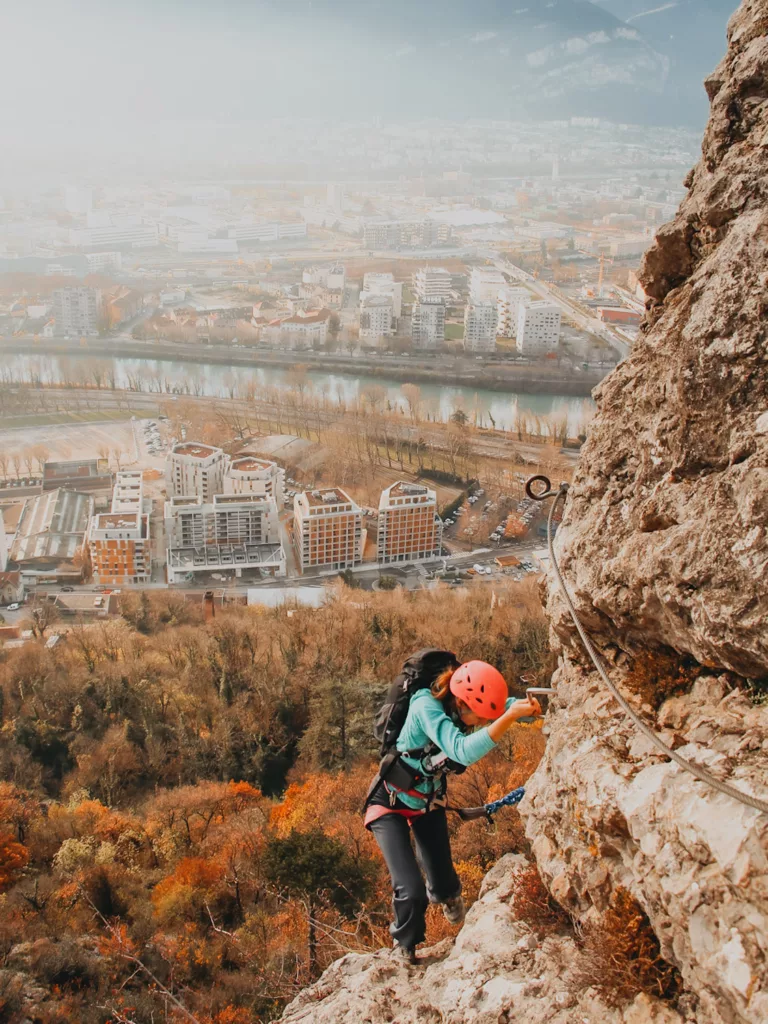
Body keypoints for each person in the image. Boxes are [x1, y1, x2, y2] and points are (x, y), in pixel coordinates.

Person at [364, 659, 541, 964]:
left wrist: (526, 708)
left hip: (427, 801)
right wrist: (511, 716)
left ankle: (447, 895)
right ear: (461, 702)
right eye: (476, 718)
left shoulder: (460, 706)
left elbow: (500, 706)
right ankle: (403, 948)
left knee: (445, 884)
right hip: (389, 802)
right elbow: (460, 751)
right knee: (410, 888)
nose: (477, 724)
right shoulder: (426, 708)